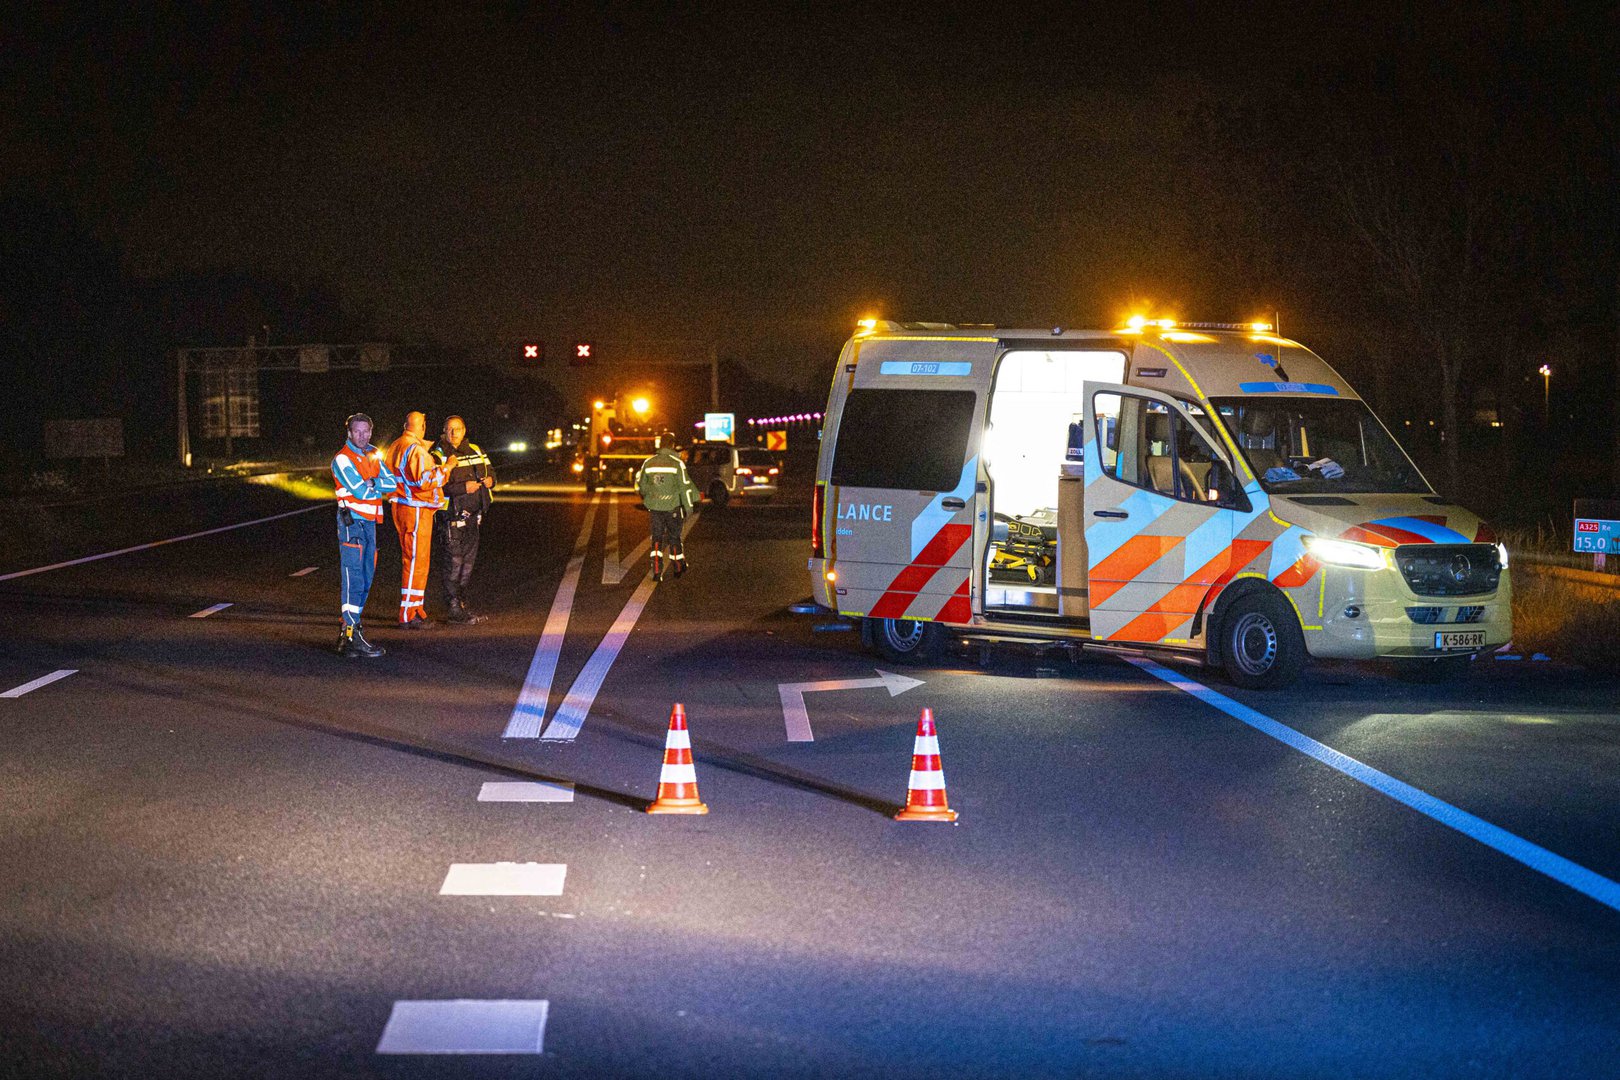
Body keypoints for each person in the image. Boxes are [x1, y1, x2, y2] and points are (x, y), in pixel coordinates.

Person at [331, 412, 399, 657]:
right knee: (354, 579)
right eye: (357, 431)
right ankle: (351, 633)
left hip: (370, 524)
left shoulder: (373, 453)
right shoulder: (342, 459)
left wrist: (373, 483)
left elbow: (393, 483)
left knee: (367, 576)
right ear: (349, 433)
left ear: (371, 432)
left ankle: (348, 635)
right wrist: (374, 484)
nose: (362, 435)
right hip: (352, 524)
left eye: (365, 431)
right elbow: (359, 491)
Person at [385, 411, 456, 627]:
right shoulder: (414, 449)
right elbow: (426, 480)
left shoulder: (396, 445)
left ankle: (416, 608)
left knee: (415, 560)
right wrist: (447, 468)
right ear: (422, 426)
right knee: (416, 561)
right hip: (415, 509)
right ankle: (409, 614)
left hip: (403, 507)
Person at [431, 415, 494, 624]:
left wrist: (491, 480)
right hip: (451, 518)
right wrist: (462, 488)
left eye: (457, 429)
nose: (454, 433)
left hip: (473, 518)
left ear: (464, 430)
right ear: (444, 431)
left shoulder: (476, 450)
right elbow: (433, 485)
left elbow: (491, 471)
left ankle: (461, 604)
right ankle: (453, 608)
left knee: (467, 564)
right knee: (454, 563)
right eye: (450, 429)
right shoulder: (438, 454)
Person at [636, 431, 700, 581]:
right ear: (672, 445)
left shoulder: (648, 462)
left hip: (655, 508)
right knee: (674, 537)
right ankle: (677, 567)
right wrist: (689, 507)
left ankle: (657, 571)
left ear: (660, 444)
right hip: (673, 508)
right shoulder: (677, 463)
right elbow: (685, 487)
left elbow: (642, 487)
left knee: (656, 538)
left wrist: (650, 497)